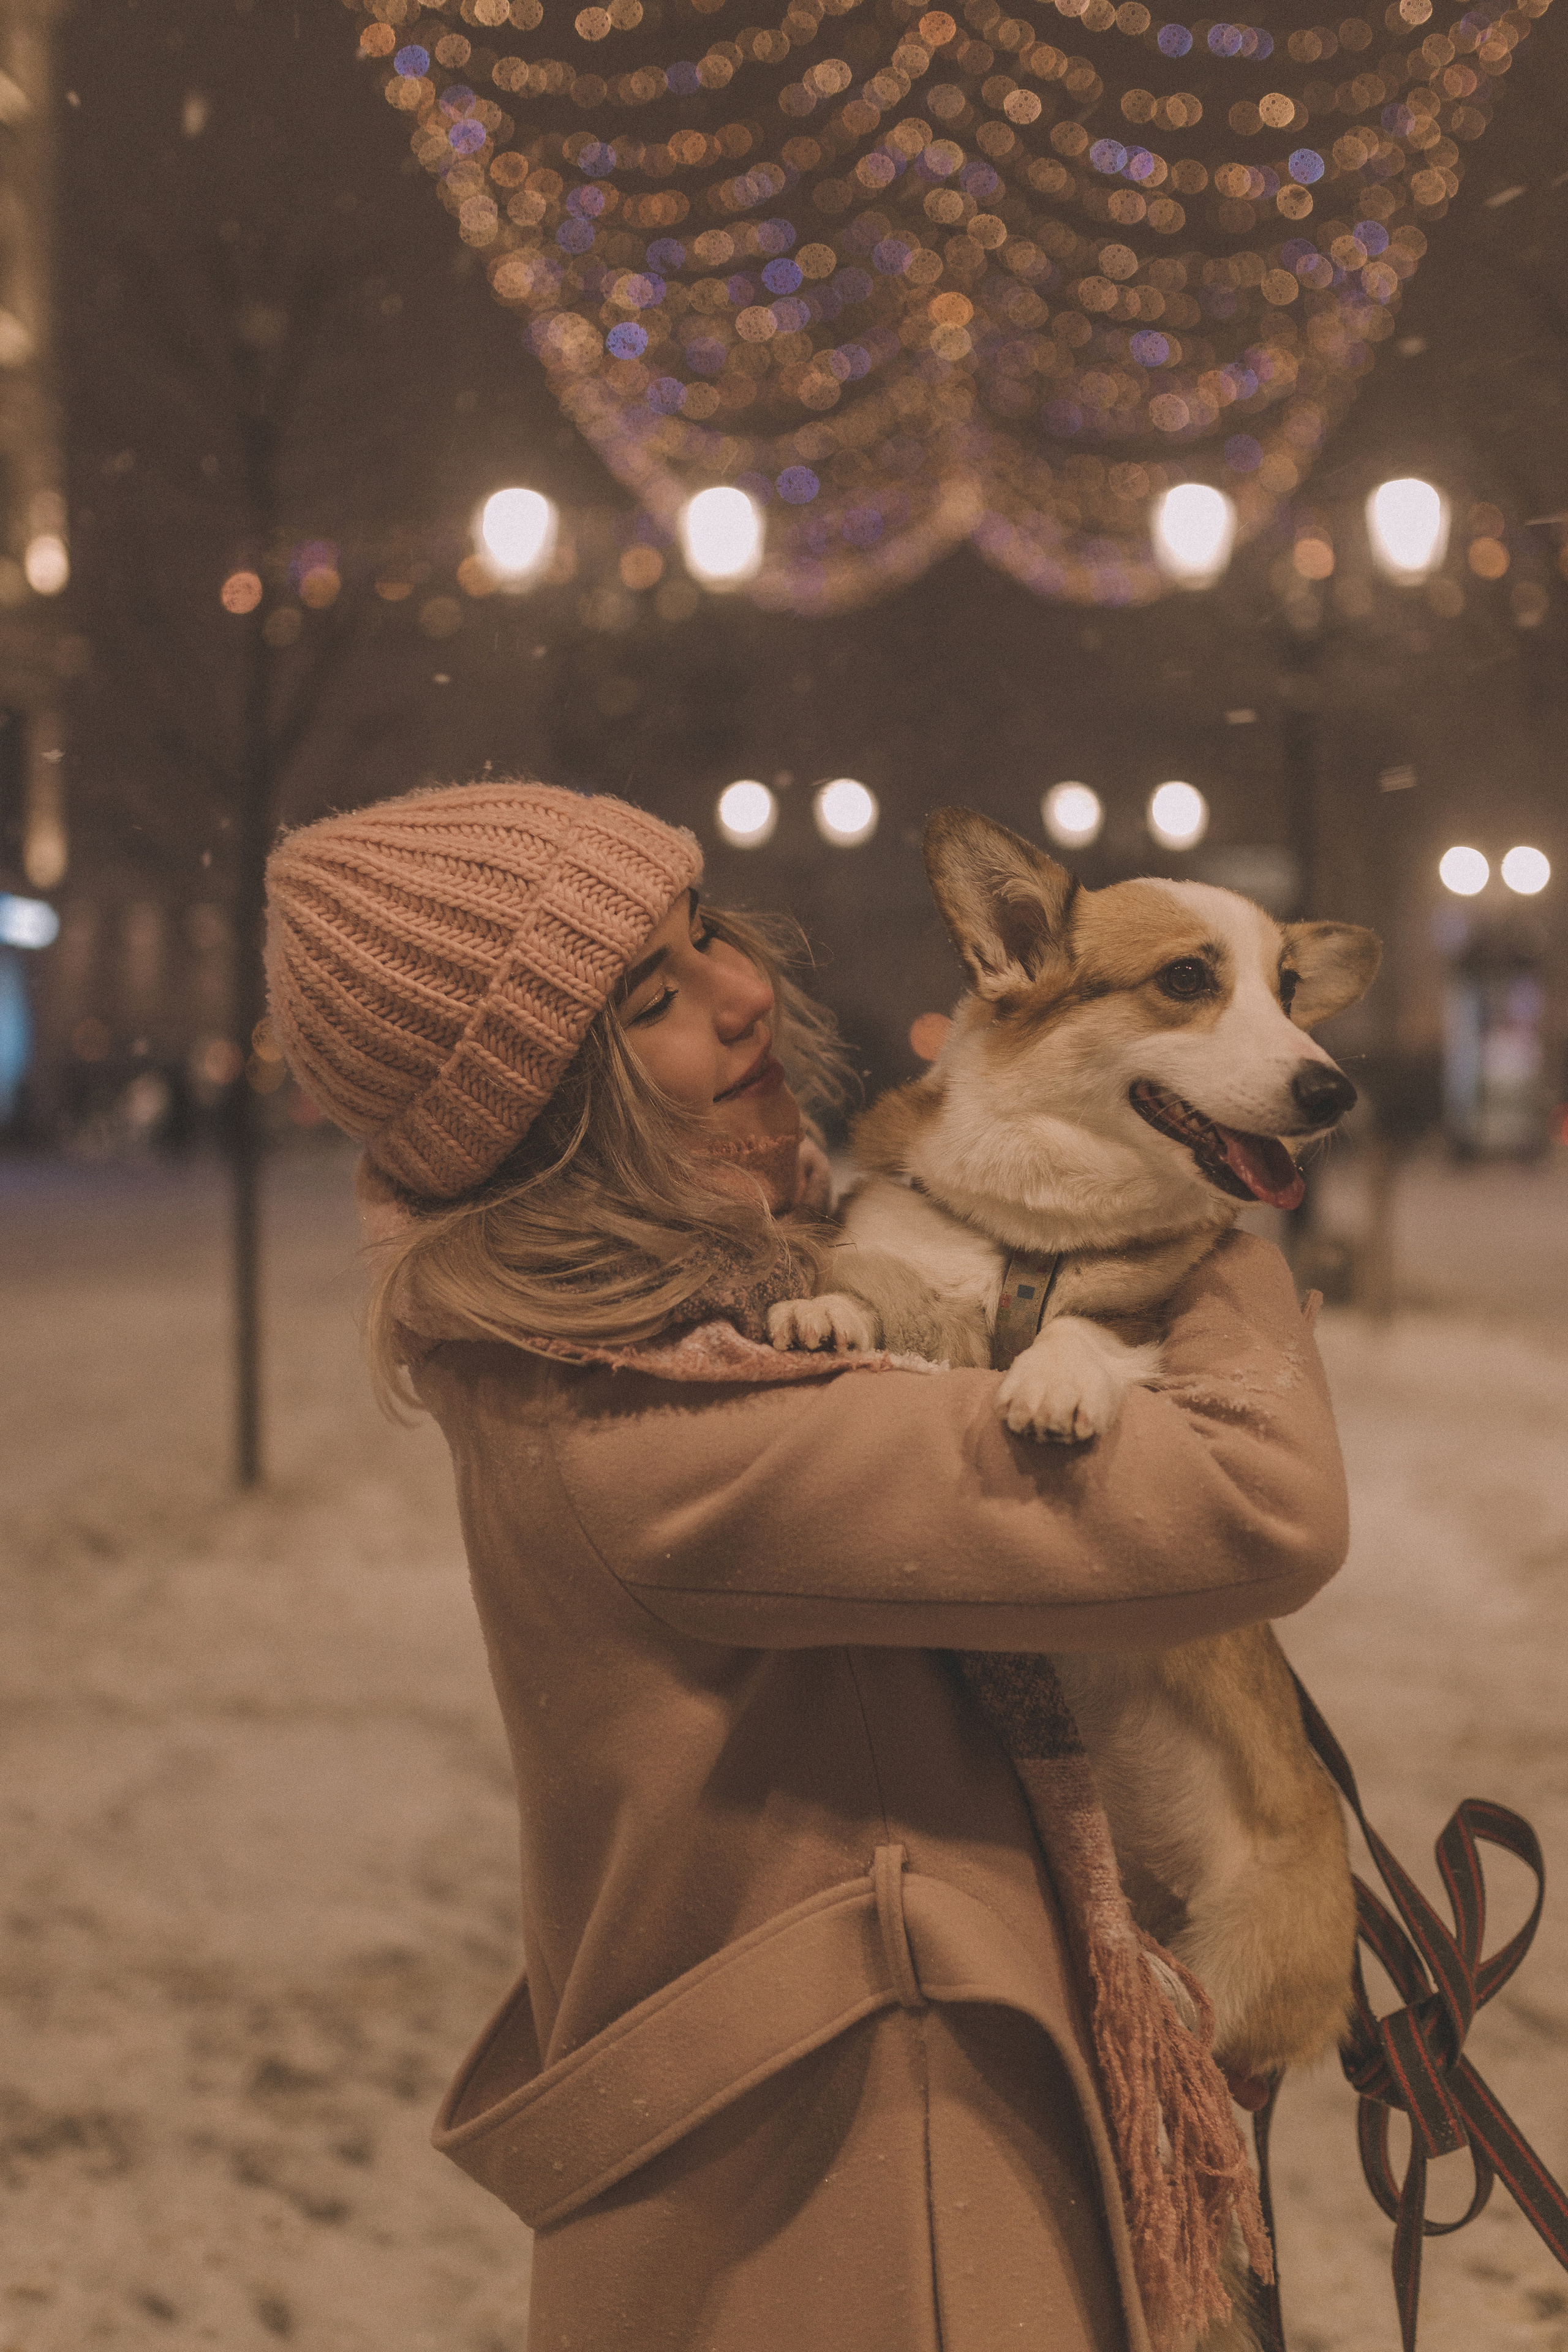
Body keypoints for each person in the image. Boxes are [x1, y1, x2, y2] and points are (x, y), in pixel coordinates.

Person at [265, 779, 1349, 2352]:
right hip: (857, 2195)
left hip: (868, 2135)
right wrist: (1214, 1241)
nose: (740, 986)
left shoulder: (725, 1300)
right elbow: (1260, 1502)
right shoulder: (653, 1423)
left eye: (703, 933)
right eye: (654, 993)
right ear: (563, 1112)